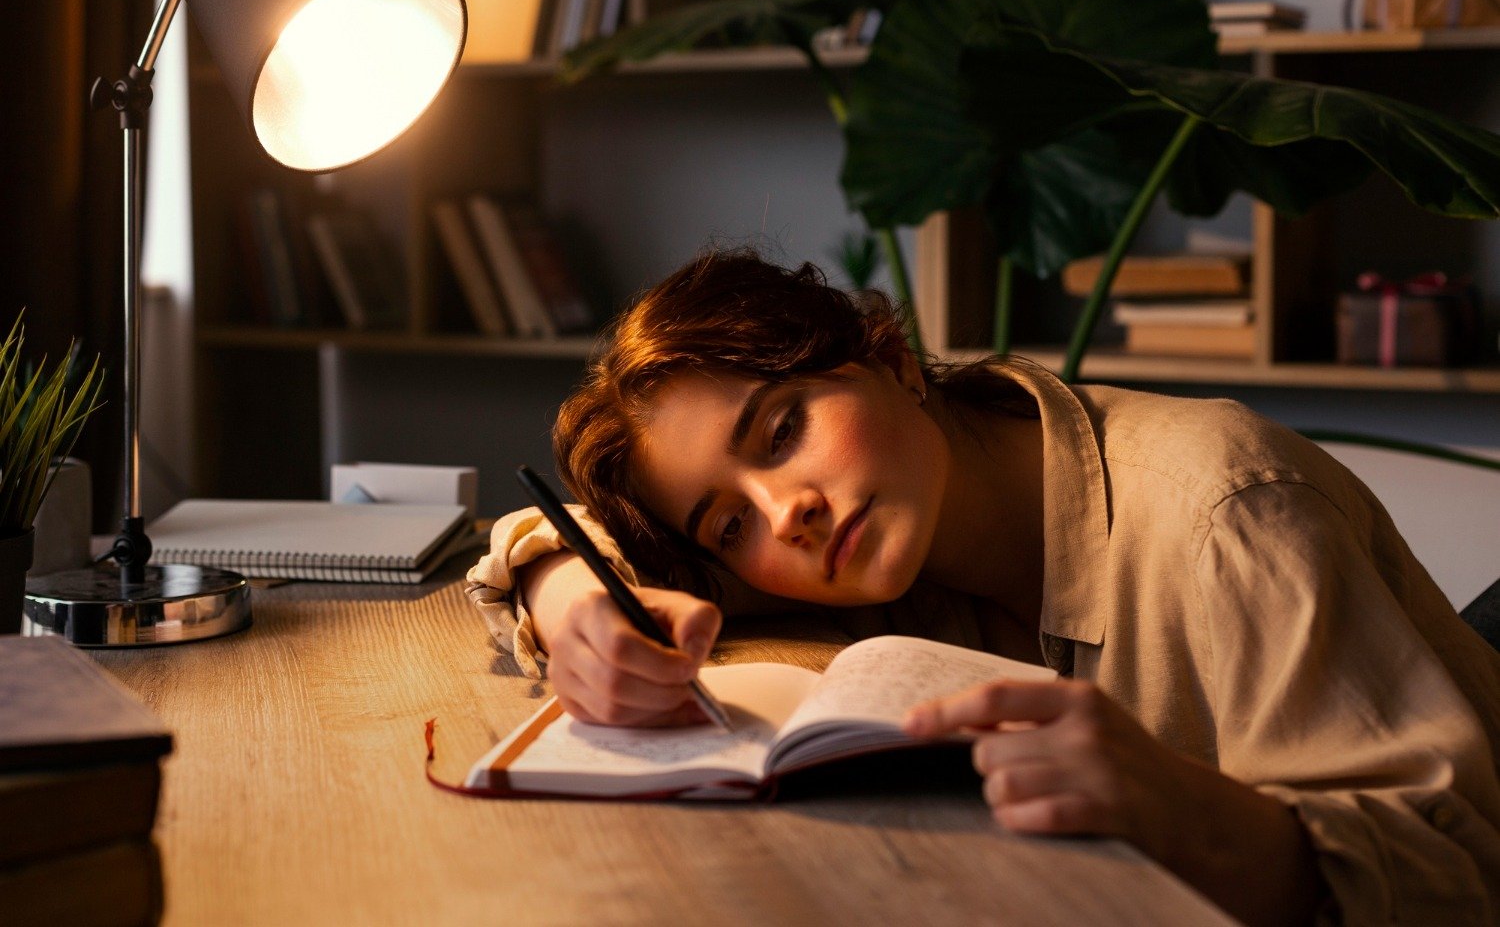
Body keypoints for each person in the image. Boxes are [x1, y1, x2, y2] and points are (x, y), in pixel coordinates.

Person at [465, 248, 1500, 927]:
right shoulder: (862, 538)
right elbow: (572, 542)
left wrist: (1186, 809)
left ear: (891, 359)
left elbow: (1456, 877)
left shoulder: (1226, 511)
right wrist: (571, 598)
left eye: (782, 430)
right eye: (730, 522)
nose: (787, 514)